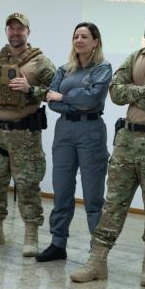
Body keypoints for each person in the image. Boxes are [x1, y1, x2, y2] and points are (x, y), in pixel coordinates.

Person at [71, 3, 145, 287]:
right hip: (126, 140)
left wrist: (136, 93)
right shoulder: (136, 55)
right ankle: (97, 261)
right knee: (113, 204)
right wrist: (144, 90)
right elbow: (114, 91)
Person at [0, 12, 55, 255]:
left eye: (20, 29)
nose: (15, 33)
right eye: (11, 28)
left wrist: (30, 89)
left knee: (27, 184)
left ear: (28, 32)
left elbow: (55, 90)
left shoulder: (40, 62)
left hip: (24, 134)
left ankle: (31, 235)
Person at [36, 22, 112, 262]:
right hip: (65, 130)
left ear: (95, 41)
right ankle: (58, 244)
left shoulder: (103, 68)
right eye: (76, 36)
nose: (79, 40)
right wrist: (67, 100)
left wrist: (64, 96)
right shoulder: (64, 69)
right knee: (62, 191)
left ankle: (97, 251)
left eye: (85, 36)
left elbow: (92, 99)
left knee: (93, 196)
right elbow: (51, 100)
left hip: (90, 130)